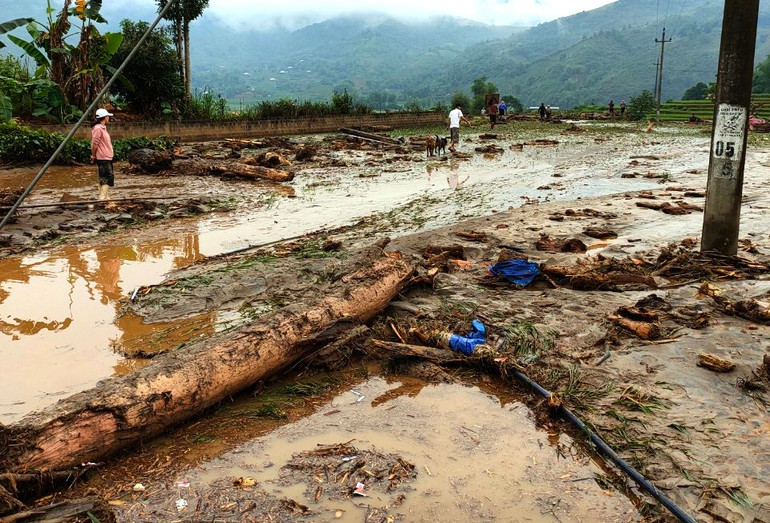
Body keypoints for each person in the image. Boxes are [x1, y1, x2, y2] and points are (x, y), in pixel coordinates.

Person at [91, 108, 114, 201]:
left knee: (104, 176)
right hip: (103, 156)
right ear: (104, 117)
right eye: (108, 116)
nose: (109, 117)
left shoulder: (103, 128)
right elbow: (94, 143)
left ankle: (106, 197)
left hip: (106, 156)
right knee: (108, 177)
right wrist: (93, 155)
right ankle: (102, 198)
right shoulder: (98, 128)